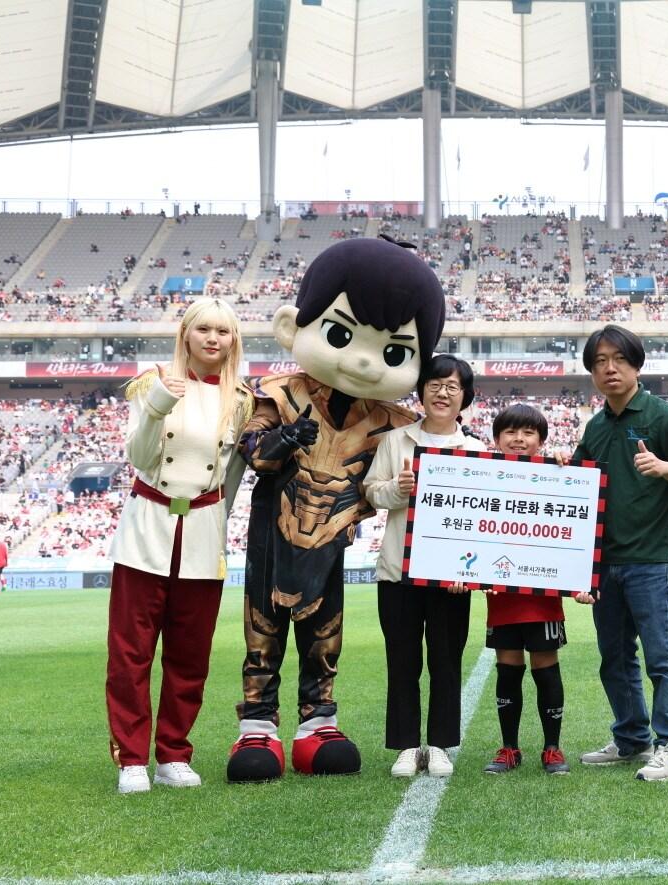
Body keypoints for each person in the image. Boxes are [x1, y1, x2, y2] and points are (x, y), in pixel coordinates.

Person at [227, 238, 444, 783]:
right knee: (262, 630)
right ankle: (257, 723)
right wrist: (283, 441)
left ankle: (317, 721)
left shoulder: (391, 419)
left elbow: (442, 463)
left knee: (325, 635)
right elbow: (254, 453)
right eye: (343, 336)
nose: (367, 362)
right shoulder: (279, 393)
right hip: (270, 539)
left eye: (394, 353)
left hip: (331, 544)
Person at [105, 298, 251, 794]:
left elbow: (230, 478)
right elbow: (139, 456)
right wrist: (158, 405)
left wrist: (217, 529)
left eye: (223, 332)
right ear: (185, 334)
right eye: (203, 329)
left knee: (190, 656)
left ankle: (173, 753)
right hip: (147, 527)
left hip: (203, 532)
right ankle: (131, 759)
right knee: (131, 654)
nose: (213, 339)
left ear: (233, 341)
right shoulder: (151, 383)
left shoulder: (242, 399)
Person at [573, 324, 668, 782]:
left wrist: (662, 466)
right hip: (605, 565)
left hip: (653, 561)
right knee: (615, 658)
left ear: (636, 365)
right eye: (600, 362)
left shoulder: (663, 416)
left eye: (619, 359)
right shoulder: (594, 426)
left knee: (663, 658)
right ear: (591, 371)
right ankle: (631, 739)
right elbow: (575, 493)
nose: (609, 369)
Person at [363, 355, 485, 779]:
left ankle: (439, 746)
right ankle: (406, 745)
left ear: (465, 397)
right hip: (399, 572)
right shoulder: (395, 441)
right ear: (422, 390)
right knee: (402, 660)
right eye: (435, 383)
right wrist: (398, 489)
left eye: (453, 386)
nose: (443, 392)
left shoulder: (477, 451)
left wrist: (469, 572)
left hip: (453, 578)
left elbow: (482, 519)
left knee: (447, 661)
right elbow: (373, 494)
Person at [476, 404, 593, 776]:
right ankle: (509, 748)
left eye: (528, 433)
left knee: (546, 666)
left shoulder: (559, 475)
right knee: (507, 669)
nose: (519, 439)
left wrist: (580, 582)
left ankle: (552, 748)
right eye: (510, 432)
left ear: (542, 441)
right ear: (496, 440)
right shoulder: (483, 478)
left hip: (542, 600)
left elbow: (578, 529)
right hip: (503, 597)